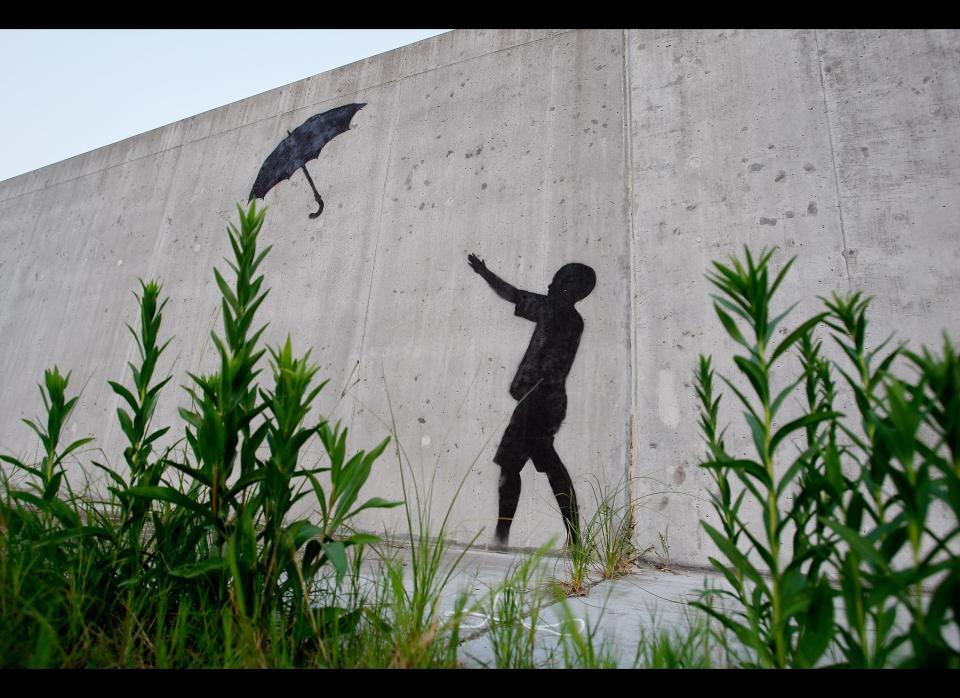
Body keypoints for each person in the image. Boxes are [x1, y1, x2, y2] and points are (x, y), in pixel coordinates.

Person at [467, 253, 596, 550]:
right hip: (548, 403)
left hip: (536, 403)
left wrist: (485, 273)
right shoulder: (573, 320)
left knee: (514, 467)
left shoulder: (553, 310)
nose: (550, 285)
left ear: (568, 287)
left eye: (558, 281)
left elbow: (512, 294)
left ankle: (503, 537)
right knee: (543, 466)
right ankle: (572, 535)